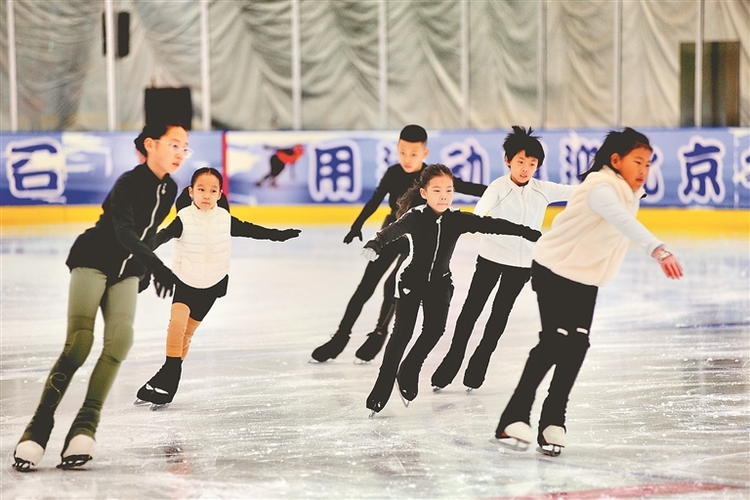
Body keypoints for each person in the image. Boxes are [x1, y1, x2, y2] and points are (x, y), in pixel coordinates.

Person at [493, 128, 683, 457]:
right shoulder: (600, 187)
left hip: (585, 276)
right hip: (554, 268)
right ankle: (513, 416)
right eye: (637, 161)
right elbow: (622, 221)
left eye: (648, 164)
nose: (644, 170)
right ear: (615, 160)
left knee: (577, 342)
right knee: (555, 339)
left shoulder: (625, 191)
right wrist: (658, 249)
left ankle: (553, 420)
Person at [12, 121, 189, 471]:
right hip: (94, 258)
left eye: (185, 147)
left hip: (128, 271)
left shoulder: (170, 188)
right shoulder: (128, 182)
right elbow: (123, 232)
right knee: (79, 342)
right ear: (151, 145)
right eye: (174, 145)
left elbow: (148, 233)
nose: (180, 153)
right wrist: (157, 267)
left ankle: (84, 428)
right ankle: (37, 430)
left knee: (120, 340)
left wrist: (145, 268)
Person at [361, 164, 542, 415]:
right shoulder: (414, 216)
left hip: (440, 284)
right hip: (411, 282)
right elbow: (390, 231)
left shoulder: (456, 219)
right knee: (402, 334)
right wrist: (375, 244)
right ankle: (381, 388)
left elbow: (491, 224)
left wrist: (526, 232)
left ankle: (409, 368)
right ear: (424, 192)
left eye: (449, 190)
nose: (444, 195)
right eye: (437, 190)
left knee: (435, 330)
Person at [311, 125, 485, 363]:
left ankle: (379, 333)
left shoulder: (431, 177)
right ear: (397, 149)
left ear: (425, 153)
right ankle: (340, 337)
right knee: (366, 286)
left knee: (391, 285)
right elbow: (375, 199)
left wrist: (502, 191)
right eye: (402, 152)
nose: (407, 158)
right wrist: (357, 225)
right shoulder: (393, 173)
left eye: (413, 153)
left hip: (416, 240)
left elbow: (467, 187)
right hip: (391, 233)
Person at [134, 167, 301, 410]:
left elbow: (253, 230)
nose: (206, 195)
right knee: (177, 326)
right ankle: (171, 378)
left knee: (187, 335)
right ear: (191, 192)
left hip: (211, 286)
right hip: (185, 282)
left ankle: (162, 377)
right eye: (201, 189)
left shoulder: (225, 219)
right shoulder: (183, 218)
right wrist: (142, 251)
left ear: (220, 194)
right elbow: (161, 236)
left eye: (213, 191)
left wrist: (279, 235)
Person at [431, 126, 575, 393]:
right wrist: (475, 219)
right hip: (490, 259)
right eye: (520, 161)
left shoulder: (543, 190)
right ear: (508, 160)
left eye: (532, 164)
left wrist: (622, 192)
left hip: (521, 267)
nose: (525, 168)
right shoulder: (498, 186)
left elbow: (579, 192)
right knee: (470, 313)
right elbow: (480, 211)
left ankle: (479, 364)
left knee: (498, 317)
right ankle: (451, 362)